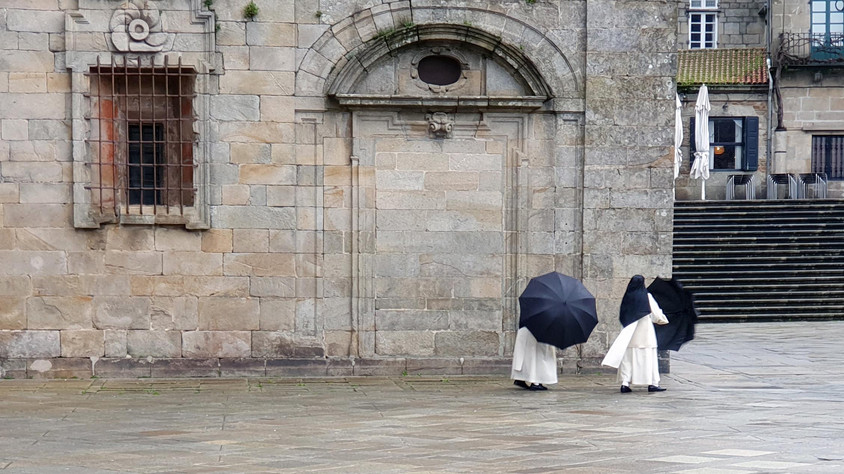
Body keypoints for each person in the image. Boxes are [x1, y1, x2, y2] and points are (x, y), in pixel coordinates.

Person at [601, 275, 669, 393]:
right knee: (649, 360)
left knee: (628, 360)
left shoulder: (627, 297)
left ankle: (625, 383)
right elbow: (657, 314)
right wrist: (662, 320)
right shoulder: (647, 297)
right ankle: (653, 383)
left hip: (630, 336)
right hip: (646, 335)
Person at [511, 327, 557, 391]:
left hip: (527, 328)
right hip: (537, 329)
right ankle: (536, 382)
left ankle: (520, 378)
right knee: (536, 354)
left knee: (525, 353)